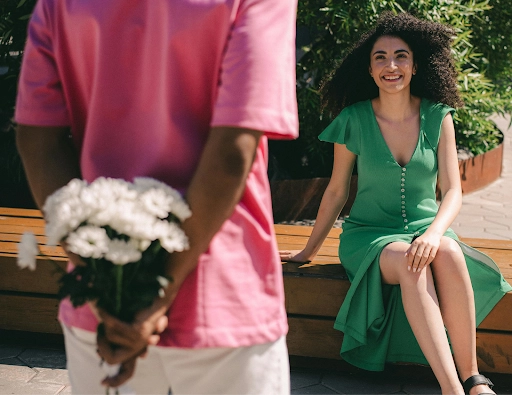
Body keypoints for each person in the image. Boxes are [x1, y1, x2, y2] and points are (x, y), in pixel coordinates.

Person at [15, 0, 298, 394]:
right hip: (221, 300)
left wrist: (103, 289)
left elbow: (36, 141)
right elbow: (233, 150)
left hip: (103, 318)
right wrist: (156, 296)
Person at [280, 12, 511, 395]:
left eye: (401, 56)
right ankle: (451, 388)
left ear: (416, 65)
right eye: (380, 58)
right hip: (369, 239)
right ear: (369, 70)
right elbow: (336, 192)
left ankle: (473, 379)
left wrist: (435, 233)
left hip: (425, 231)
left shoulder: (439, 117)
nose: (392, 65)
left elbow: (452, 190)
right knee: (410, 261)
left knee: (449, 254)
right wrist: (309, 250)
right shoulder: (352, 119)